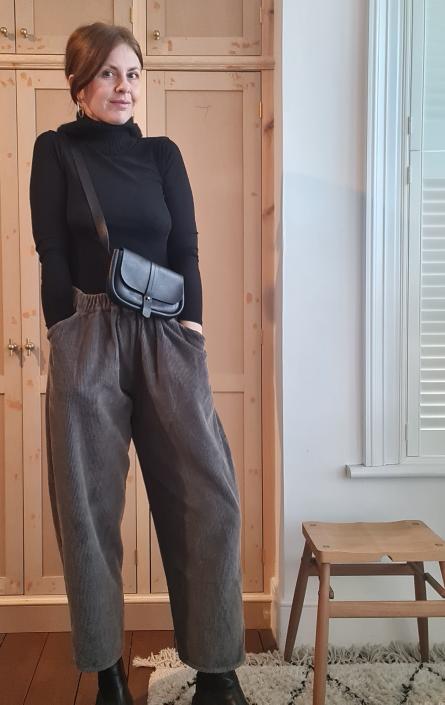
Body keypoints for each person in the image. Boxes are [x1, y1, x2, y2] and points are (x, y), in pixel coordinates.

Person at [29, 21, 249, 705]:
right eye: (108, 74)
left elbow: (186, 247)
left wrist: (193, 328)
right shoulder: (55, 150)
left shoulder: (162, 154)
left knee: (207, 498)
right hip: (88, 331)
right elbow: (51, 251)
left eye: (132, 74)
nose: (123, 87)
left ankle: (215, 671)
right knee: (87, 509)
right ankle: (107, 674)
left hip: (165, 332)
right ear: (79, 85)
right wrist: (64, 330)